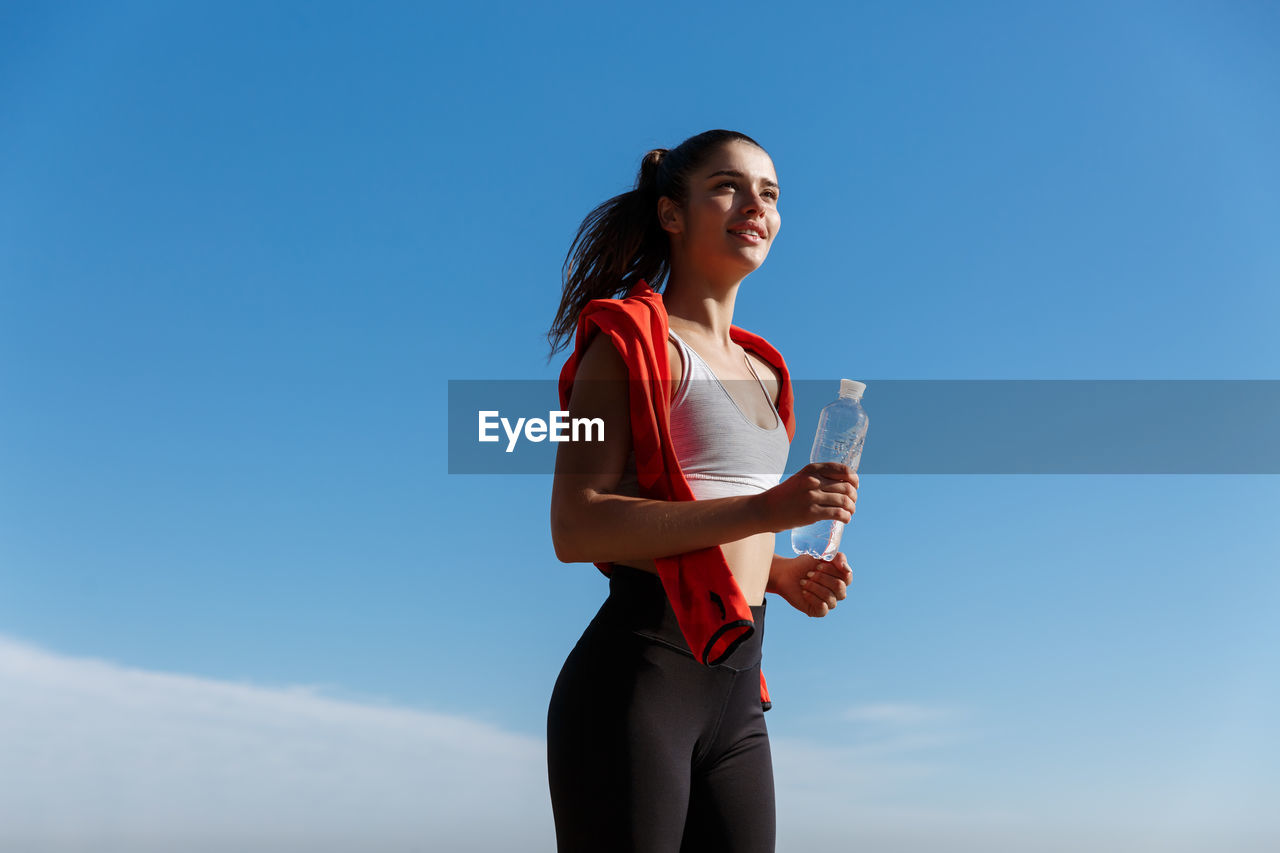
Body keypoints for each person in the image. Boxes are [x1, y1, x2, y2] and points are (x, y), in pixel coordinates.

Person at [544, 129, 859, 853]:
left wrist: (778, 571)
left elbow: (720, 524)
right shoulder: (624, 342)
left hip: (739, 693)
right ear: (671, 214)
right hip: (639, 680)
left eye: (771, 193)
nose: (756, 204)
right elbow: (577, 525)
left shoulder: (767, 372)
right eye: (730, 185)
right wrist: (769, 509)